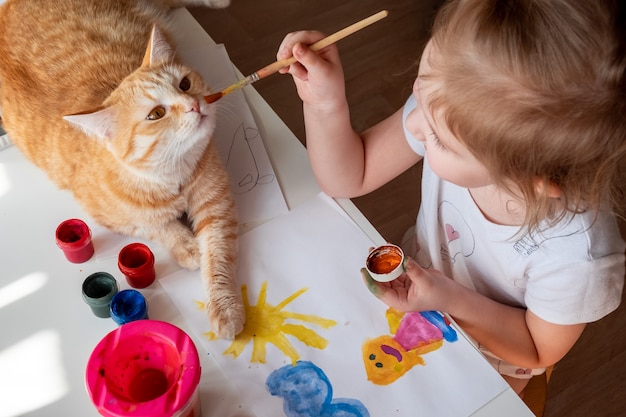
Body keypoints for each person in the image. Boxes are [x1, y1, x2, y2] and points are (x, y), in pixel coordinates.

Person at [276, 0, 626, 396]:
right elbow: (348, 176)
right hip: (415, 302)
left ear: (533, 179)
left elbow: (536, 350)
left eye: (439, 138)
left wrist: (450, 299)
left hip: (488, 364)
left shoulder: (578, 257)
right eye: (419, 86)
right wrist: (325, 102)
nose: (416, 122)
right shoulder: (447, 108)